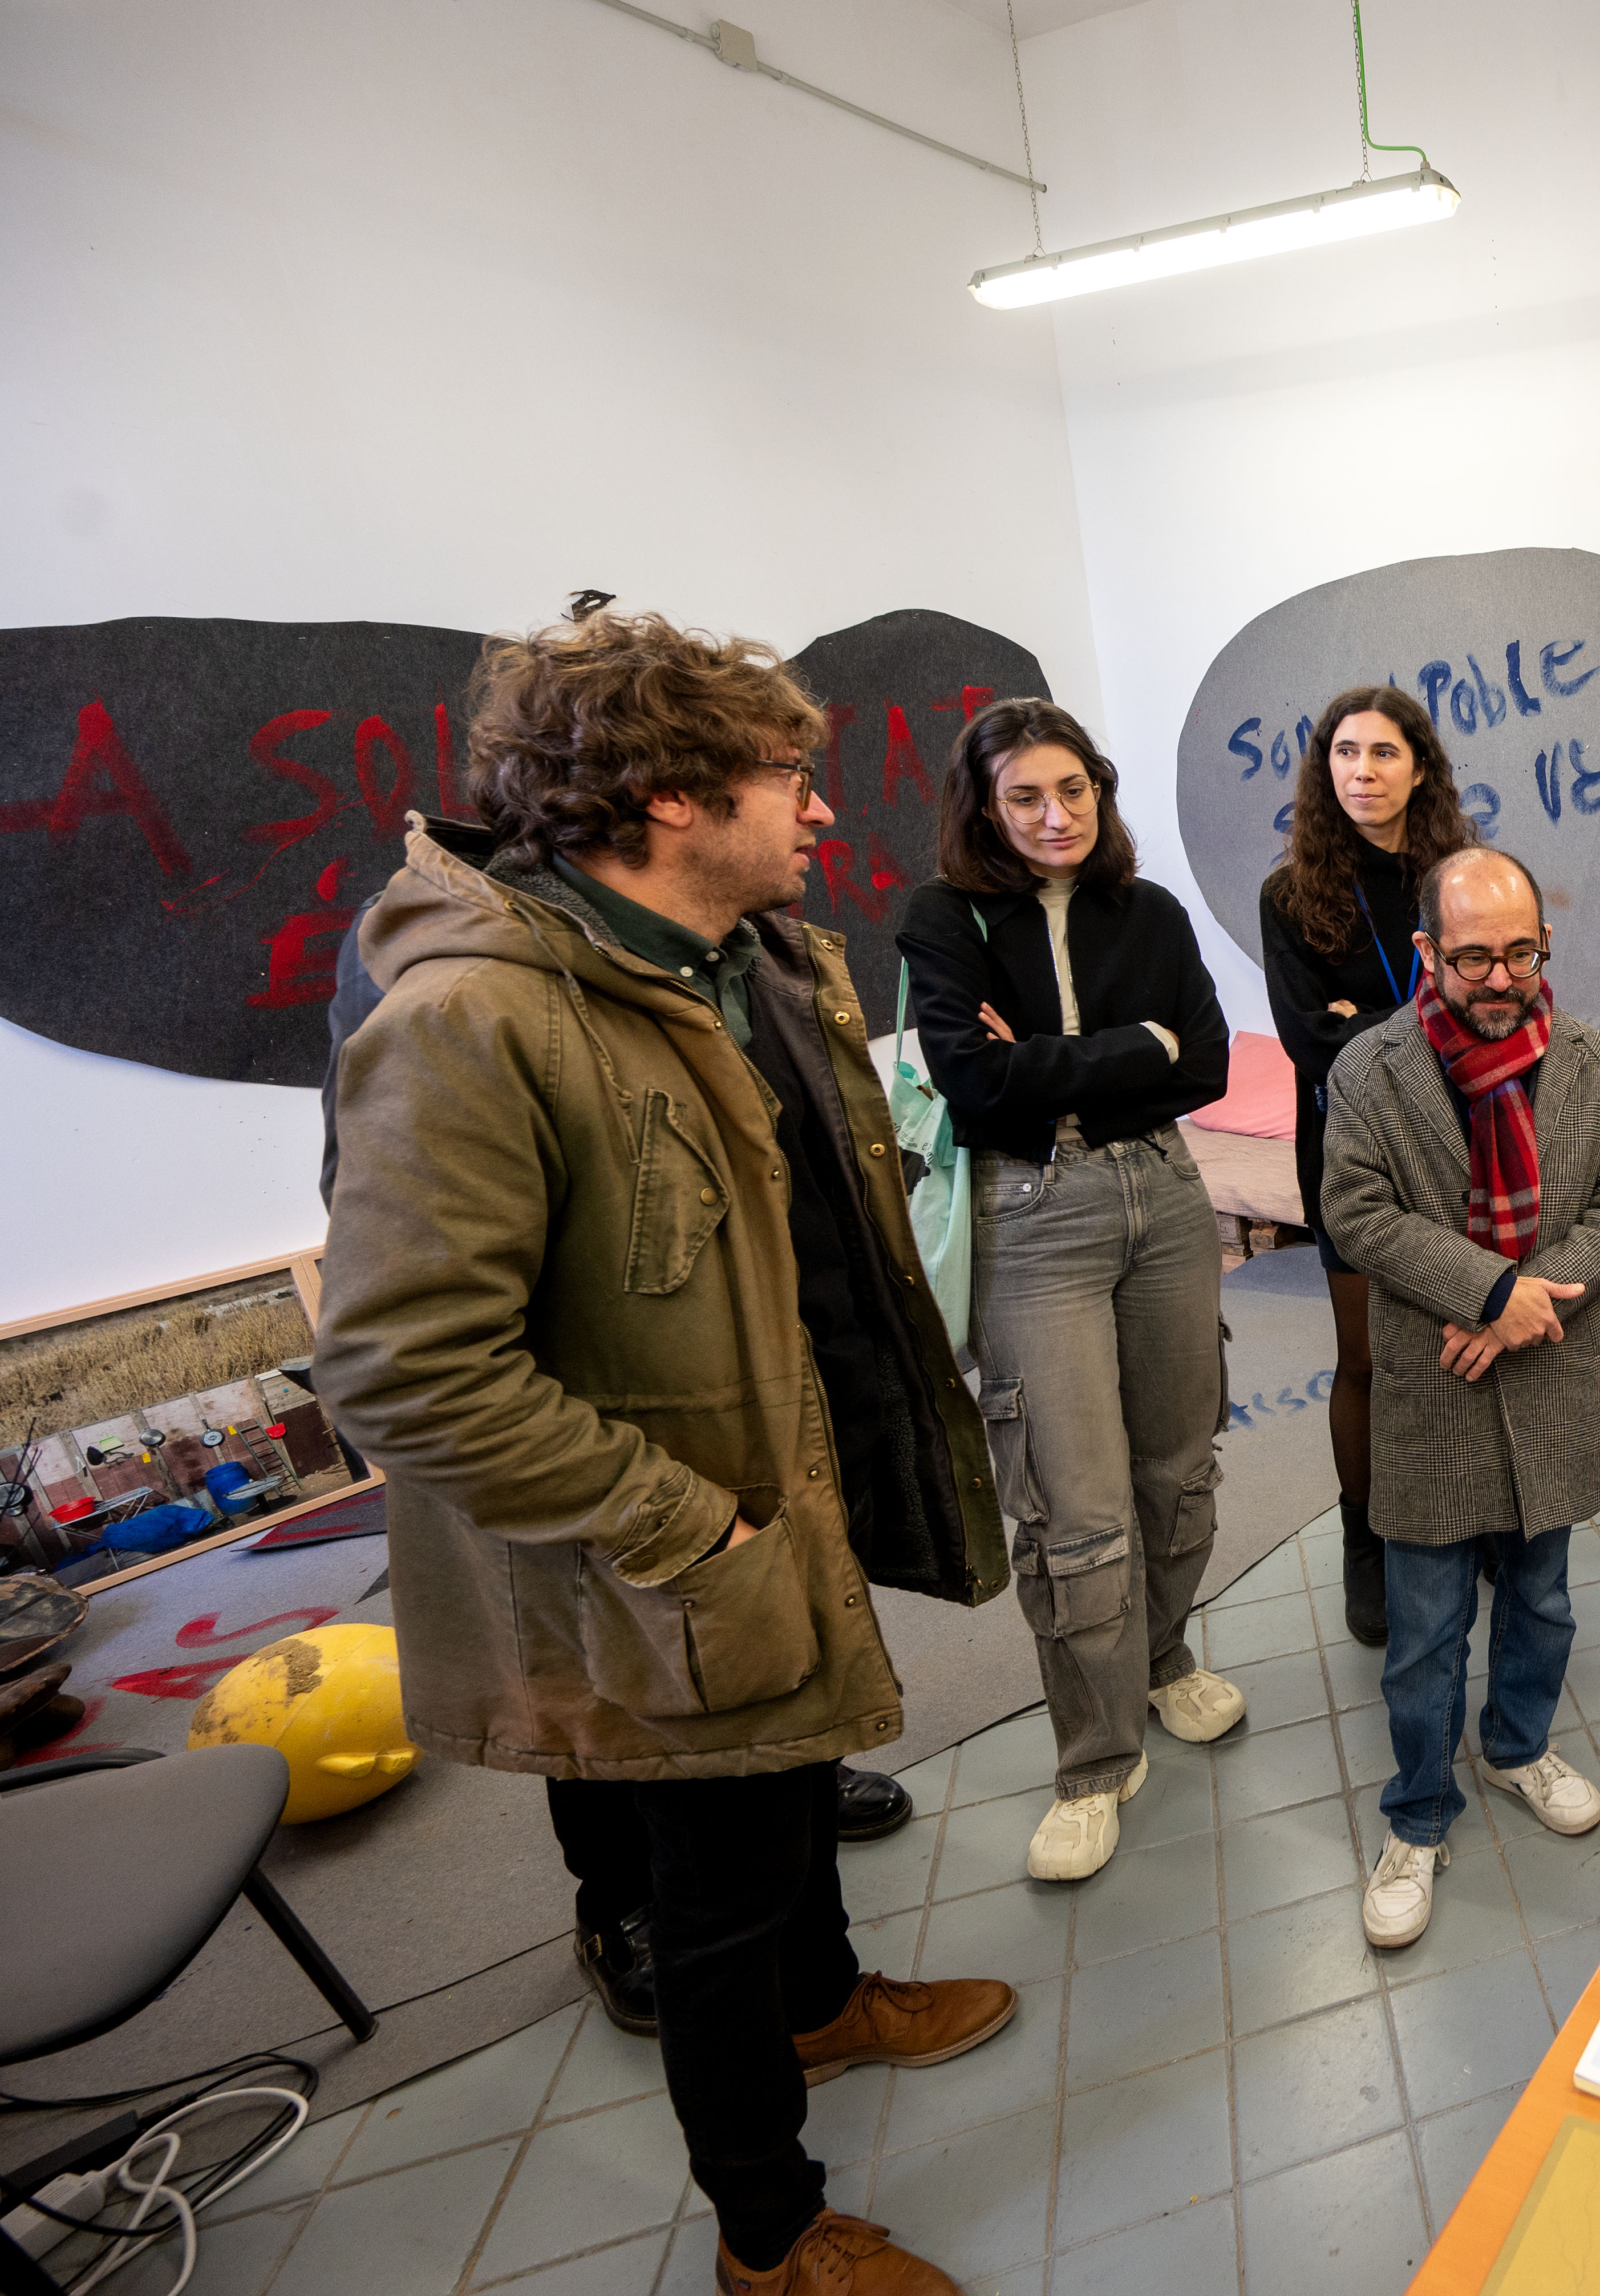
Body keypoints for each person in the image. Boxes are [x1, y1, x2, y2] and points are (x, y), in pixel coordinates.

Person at [314, 599, 1015, 2296]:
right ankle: (770, 2236)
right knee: (707, 1899)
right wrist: (683, 1522)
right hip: (665, 1561)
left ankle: (829, 2000)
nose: (824, 813)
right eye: (790, 776)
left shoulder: (750, 967)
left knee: (793, 1798)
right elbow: (404, 1371)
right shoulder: (473, 1025)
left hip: (785, 1486)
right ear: (674, 798)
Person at [896, 700, 1242, 1886]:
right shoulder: (944, 921)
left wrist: (1070, 1058)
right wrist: (1132, 1045)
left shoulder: (1147, 911)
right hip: (1031, 1213)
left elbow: (1207, 1061)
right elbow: (977, 1086)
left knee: (1179, 1467)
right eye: (1026, 797)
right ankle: (1093, 1758)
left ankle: (1163, 1657)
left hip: (1166, 1195)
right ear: (985, 808)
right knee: (1073, 1507)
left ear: (1100, 792)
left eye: (1074, 791)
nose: (1056, 817)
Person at [1319, 846, 1600, 1948]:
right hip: (1433, 1377)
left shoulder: (1593, 1062)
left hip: (1547, 1363)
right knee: (1422, 1627)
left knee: (1543, 1596)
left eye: (1521, 951)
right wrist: (1491, 1289)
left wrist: (1527, 1298)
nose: (1500, 975)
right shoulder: (1371, 1068)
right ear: (1427, 950)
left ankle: (1516, 1748)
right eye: (1471, 956)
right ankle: (1417, 1810)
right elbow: (1359, 1215)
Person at [1257, 688, 1475, 1651]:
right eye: (1344, 751)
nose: (1362, 770)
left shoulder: (1461, 878)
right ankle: (1366, 1537)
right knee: (1366, 1358)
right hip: (1347, 1149)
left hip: (1464, 1140)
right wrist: (1415, 1026)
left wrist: (1366, 1023)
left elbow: (1497, 1009)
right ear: (1324, 767)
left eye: (1384, 752)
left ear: (1418, 767)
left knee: (1461, 1338)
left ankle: (1461, 1514)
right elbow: (1311, 1042)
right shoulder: (1290, 892)